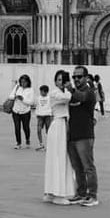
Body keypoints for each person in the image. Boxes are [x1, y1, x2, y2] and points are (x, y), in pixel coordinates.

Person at [43, 70, 76, 205]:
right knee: (57, 159)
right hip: (57, 125)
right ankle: (56, 193)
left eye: (63, 80)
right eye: (58, 80)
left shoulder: (62, 92)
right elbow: (67, 98)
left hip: (63, 125)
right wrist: (69, 89)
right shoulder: (55, 92)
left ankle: (54, 192)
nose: (60, 82)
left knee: (62, 158)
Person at [68, 65, 99, 206]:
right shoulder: (71, 94)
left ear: (86, 77)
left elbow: (81, 97)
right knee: (77, 167)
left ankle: (92, 195)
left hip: (85, 135)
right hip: (73, 134)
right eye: (74, 77)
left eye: (79, 77)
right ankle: (81, 193)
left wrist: (71, 89)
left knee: (88, 167)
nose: (76, 79)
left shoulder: (89, 92)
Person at [8, 74, 34, 149]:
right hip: (15, 111)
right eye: (22, 82)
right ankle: (18, 143)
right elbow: (10, 96)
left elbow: (31, 102)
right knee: (17, 127)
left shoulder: (30, 90)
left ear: (28, 82)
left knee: (25, 127)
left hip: (25, 112)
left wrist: (22, 99)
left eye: (25, 82)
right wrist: (15, 97)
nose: (23, 84)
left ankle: (27, 139)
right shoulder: (17, 87)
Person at [35, 85, 52, 151]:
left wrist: (51, 114)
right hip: (40, 116)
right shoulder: (38, 98)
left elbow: (52, 106)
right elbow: (37, 106)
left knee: (48, 131)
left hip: (47, 115)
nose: (41, 93)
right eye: (41, 91)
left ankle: (49, 144)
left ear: (46, 92)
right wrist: (37, 113)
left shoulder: (49, 98)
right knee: (39, 130)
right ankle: (41, 144)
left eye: (43, 91)